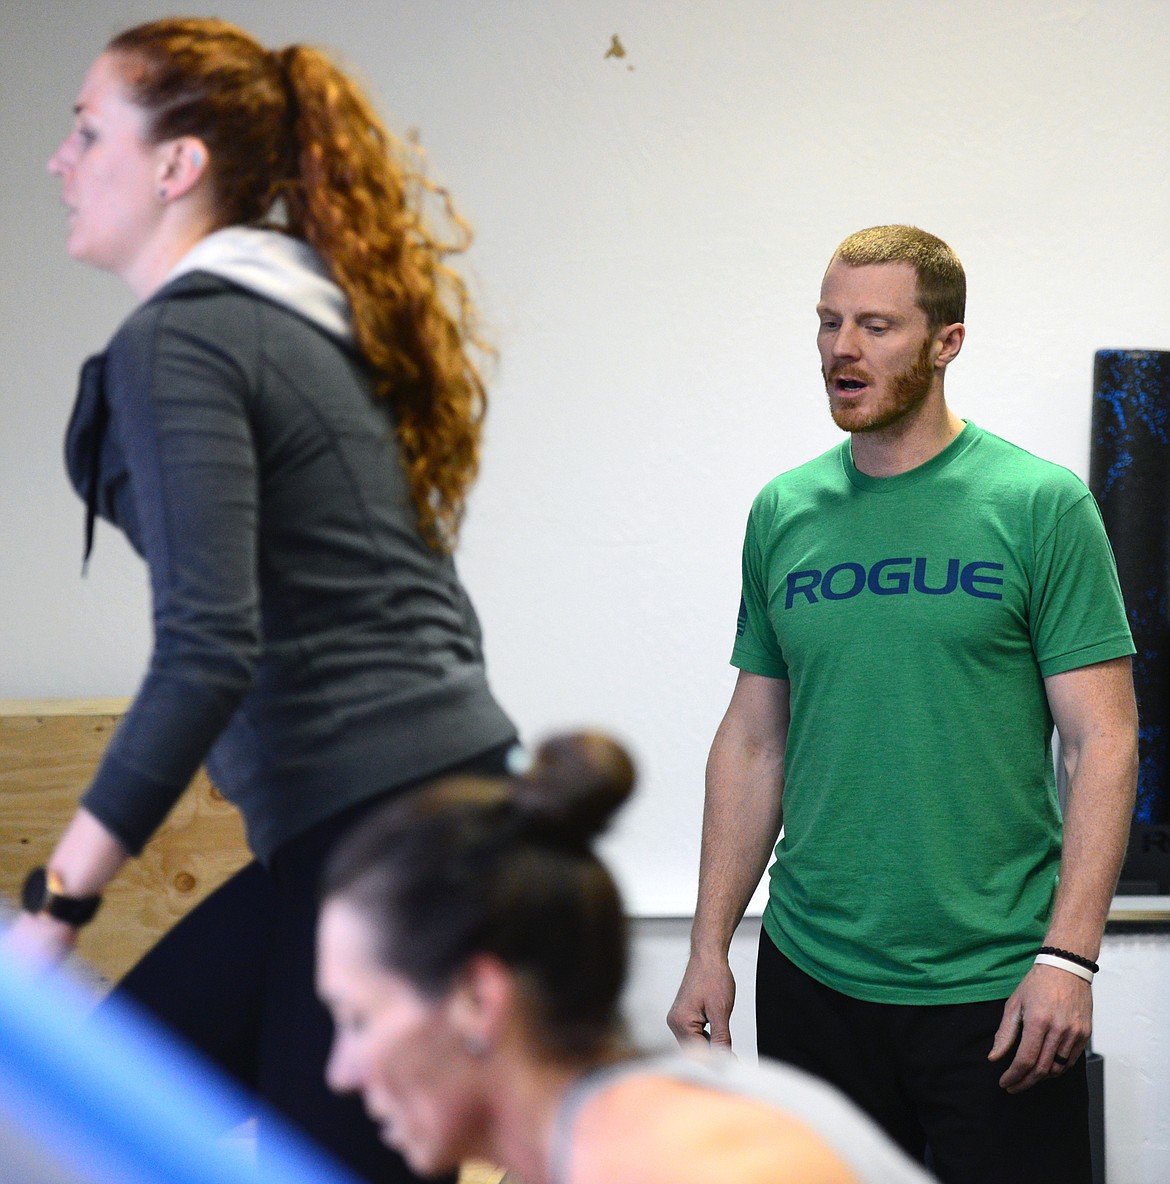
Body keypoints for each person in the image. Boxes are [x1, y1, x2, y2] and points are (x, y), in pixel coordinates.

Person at [6, 17, 518, 1184]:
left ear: (178, 165)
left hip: (384, 832)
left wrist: (56, 905)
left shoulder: (190, 336)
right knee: (104, 1095)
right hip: (387, 824)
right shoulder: (295, 313)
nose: (59, 158)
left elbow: (204, 649)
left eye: (88, 130)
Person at [666, 225, 1139, 1184]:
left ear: (945, 342)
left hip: (997, 985)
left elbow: (1104, 741)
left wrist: (1071, 959)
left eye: (877, 326)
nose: (844, 349)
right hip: (812, 977)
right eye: (830, 323)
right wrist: (708, 946)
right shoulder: (783, 512)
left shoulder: (1038, 505)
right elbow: (755, 742)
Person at [315, 730, 937, 1184]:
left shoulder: (673, 1162)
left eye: (357, 1019)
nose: (341, 1072)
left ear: (478, 1001)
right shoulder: (588, 1141)